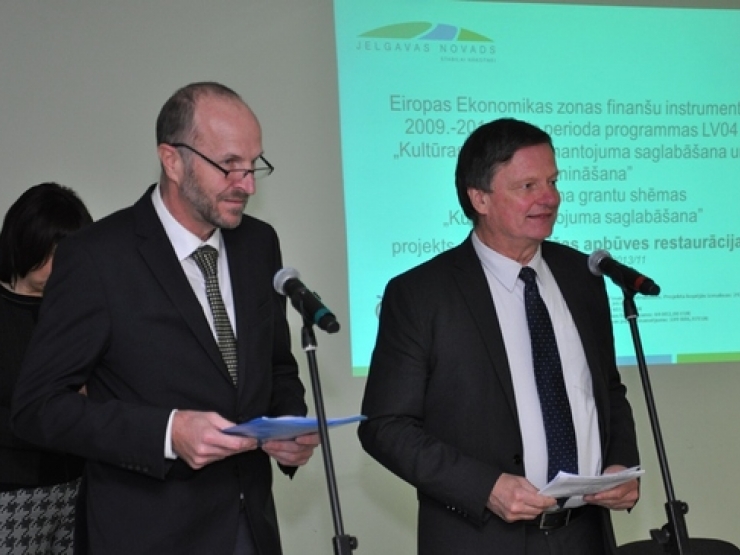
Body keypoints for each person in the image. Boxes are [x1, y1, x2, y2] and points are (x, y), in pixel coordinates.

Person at [12, 82, 320, 555]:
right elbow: (38, 408)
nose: (248, 184)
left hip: (250, 526)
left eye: (254, 164)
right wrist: (167, 433)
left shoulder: (259, 244)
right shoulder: (97, 257)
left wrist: (289, 424)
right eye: (229, 165)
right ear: (172, 160)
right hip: (146, 534)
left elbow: (276, 365)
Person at [358, 118, 640, 555]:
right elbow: (386, 427)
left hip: (585, 534)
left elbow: (607, 390)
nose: (550, 198)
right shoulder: (421, 294)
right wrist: (485, 487)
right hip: (480, 538)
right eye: (528, 186)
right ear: (480, 198)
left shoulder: (582, 276)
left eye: (552, 182)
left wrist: (620, 463)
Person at [0, 182, 92, 554]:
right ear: (25, 242)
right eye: (53, 253)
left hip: (78, 485)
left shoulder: (81, 311)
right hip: (12, 492)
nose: (62, 266)